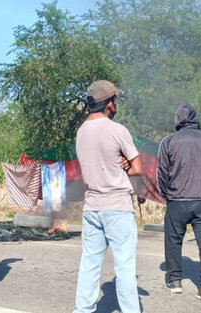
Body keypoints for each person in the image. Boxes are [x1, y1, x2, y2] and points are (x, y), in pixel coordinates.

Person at [74, 80, 143, 313]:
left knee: (90, 263)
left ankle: (83, 310)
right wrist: (123, 166)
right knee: (124, 266)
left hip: (92, 206)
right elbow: (138, 168)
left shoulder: (81, 131)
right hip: (118, 207)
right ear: (109, 104)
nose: (116, 105)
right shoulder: (117, 130)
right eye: (115, 101)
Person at [157, 103, 201, 303]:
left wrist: (167, 195)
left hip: (177, 199)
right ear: (196, 119)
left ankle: (175, 280)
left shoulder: (168, 141)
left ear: (177, 120)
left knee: (173, 239)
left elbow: (161, 172)